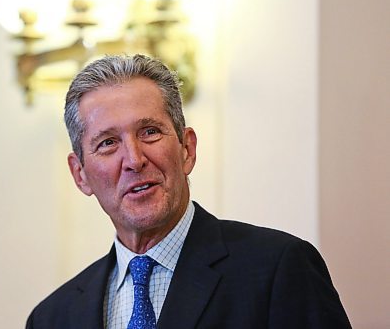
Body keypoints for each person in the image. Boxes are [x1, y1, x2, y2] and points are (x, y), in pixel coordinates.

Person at [26, 54, 351, 328]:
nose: (134, 160)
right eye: (108, 143)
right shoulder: (52, 317)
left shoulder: (278, 269)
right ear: (80, 174)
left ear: (186, 148)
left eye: (150, 132)